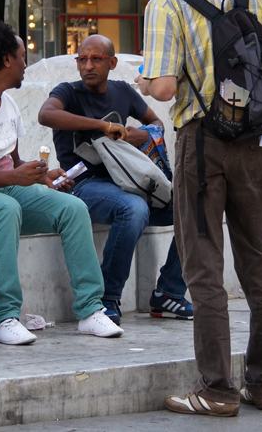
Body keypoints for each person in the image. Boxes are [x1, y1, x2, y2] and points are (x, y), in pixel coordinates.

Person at [135, 0, 262, 417]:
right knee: (260, 262)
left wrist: (144, 82)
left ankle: (217, 391)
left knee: (203, 266)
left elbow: (161, 88)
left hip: (202, 143)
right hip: (258, 139)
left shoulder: (165, 1)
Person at [0, 22, 123, 345]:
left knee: (74, 208)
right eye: (22, 56)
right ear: (6, 60)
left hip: (3, 189)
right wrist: (14, 177)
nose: (25, 64)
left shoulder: (9, 104)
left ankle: (90, 311)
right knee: (4, 209)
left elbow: (12, 163)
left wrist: (42, 175)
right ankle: (5, 316)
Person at [38, 34, 191, 326]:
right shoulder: (68, 92)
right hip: (83, 186)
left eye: (96, 59)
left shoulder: (123, 91)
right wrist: (103, 126)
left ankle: (169, 292)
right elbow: (46, 115)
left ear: (112, 62)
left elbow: (156, 125)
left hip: (130, 180)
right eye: (82, 59)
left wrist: (136, 135)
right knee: (133, 209)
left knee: (196, 209)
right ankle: (106, 299)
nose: (88, 66)